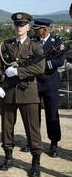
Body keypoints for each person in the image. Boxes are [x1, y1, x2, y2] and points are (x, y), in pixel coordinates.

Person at [0, 12, 45, 177]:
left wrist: (18, 71)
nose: (19, 27)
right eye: (16, 24)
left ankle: (35, 161)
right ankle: (8, 157)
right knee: (7, 127)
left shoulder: (34, 46)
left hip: (28, 92)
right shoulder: (6, 45)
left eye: (22, 24)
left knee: (32, 128)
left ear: (28, 26)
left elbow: (40, 68)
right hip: (8, 93)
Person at [19, 18, 65, 157]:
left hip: (50, 82)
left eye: (38, 29)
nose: (35, 31)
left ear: (45, 29)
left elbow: (60, 60)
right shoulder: (34, 40)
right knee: (33, 114)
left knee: (52, 114)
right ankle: (33, 141)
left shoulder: (56, 41)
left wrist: (42, 66)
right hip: (35, 82)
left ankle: (54, 143)